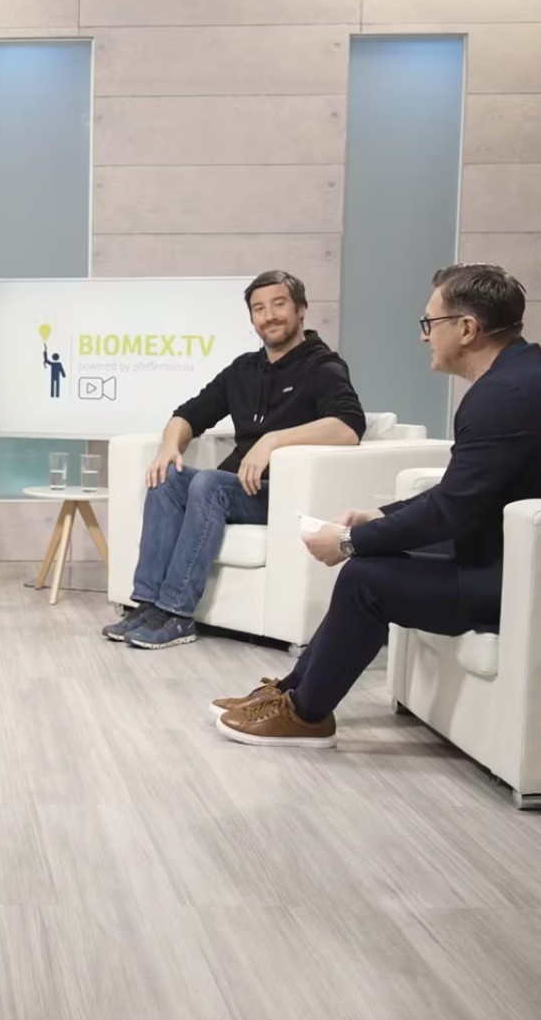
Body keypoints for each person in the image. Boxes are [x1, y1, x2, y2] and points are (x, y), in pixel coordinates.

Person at [216, 263, 541, 748]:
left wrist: (350, 541)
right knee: (371, 561)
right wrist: (382, 517)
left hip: (518, 579)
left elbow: (449, 512)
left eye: (430, 322)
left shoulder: (502, 396)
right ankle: (291, 690)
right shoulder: (520, 375)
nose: (424, 336)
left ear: (467, 329)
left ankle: (306, 715)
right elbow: (465, 491)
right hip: (504, 552)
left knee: (365, 579)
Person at [102, 269, 367, 649]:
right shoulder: (243, 369)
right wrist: (169, 447)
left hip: (281, 495)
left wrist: (273, 441)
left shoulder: (322, 366)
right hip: (237, 489)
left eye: (279, 304)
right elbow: (188, 414)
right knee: (168, 475)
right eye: (259, 309)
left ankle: (177, 614)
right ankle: (146, 605)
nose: (269, 316)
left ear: (301, 309)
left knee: (208, 483)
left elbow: (348, 426)